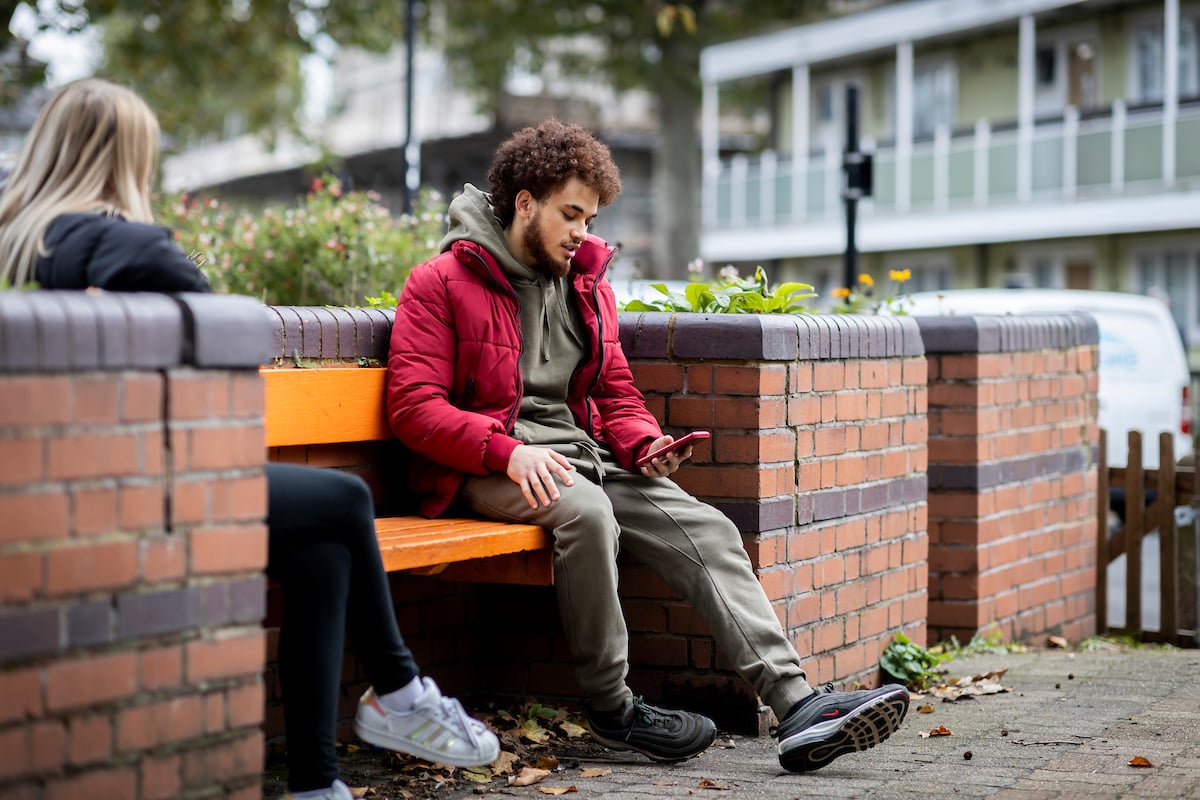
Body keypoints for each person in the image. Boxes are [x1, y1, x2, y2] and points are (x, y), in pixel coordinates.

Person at [0, 78, 500, 800]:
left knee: (320, 552)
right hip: (142, 489)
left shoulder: (23, 250)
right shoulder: (127, 248)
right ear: (127, 161)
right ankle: (398, 690)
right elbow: (218, 336)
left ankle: (316, 786)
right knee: (343, 500)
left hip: (68, 486)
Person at [385, 118, 910, 773]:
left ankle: (797, 706)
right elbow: (413, 408)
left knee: (709, 528)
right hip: (487, 465)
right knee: (586, 512)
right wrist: (507, 452)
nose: (584, 232)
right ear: (525, 203)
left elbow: (613, 393)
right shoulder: (441, 281)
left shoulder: (585, 284)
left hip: (583, 459)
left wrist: (643, 446)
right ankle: (613, 708)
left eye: (592, 218)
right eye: (571, 214)